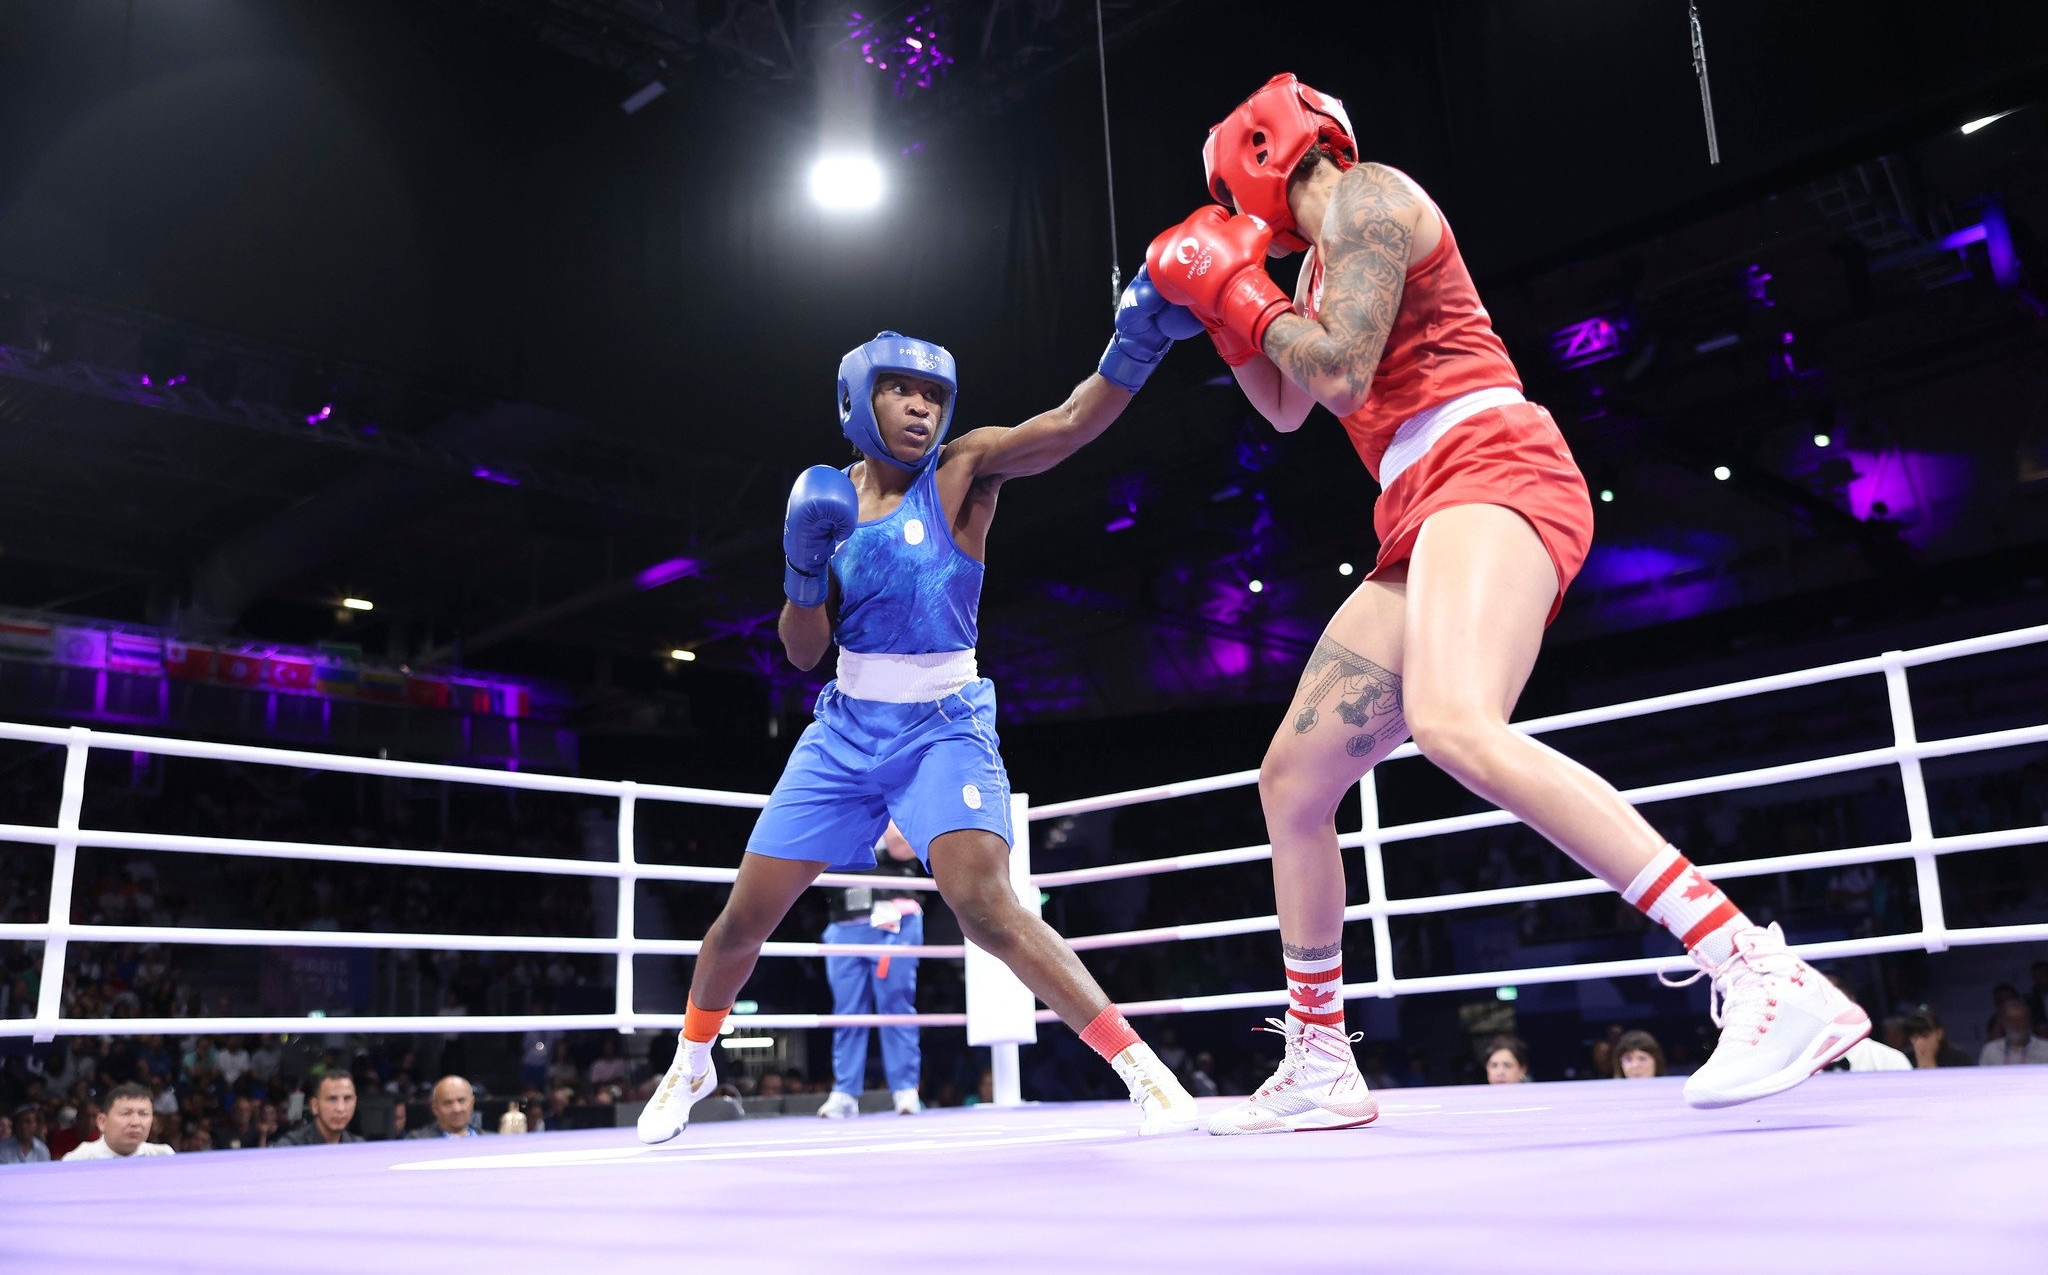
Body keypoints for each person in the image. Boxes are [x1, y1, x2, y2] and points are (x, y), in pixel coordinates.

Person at [1142, 74, 1870, 1133]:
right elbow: (1287, 404)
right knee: (1291, 783)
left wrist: (1240, 291)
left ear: (1253, 158)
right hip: (1415, 501)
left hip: (1489, 461)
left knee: (1452, 724)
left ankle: (1756, 969)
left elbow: (1338, 374)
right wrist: (1220, 307)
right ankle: (1318, 1061)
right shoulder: (1311, 274)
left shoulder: (1368, 198)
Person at [639, 314, 1205, 1143]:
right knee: (742, 917)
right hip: (845, 726)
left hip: (944, 720)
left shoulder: (965, 470)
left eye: (934, 393)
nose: (919, 408)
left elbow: (1074, 423)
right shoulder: (826, 500)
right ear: (857, 400)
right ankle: (691, 1062)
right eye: (900, 389)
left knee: (985, 905)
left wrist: (1140, 339)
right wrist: (802, 569)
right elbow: (802, 653)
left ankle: (1144, 1072)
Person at [818, 822, 926, 1119]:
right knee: (847, 1011)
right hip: (844, 920)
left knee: (895, 1002)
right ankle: (845, 1092)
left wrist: (885, 803)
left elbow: (902, 848)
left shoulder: (899, 800)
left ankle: (905, 1088)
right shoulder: (840, 803)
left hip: (894, 918)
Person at [61, 1083, 174, 1160]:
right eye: (126, 1113)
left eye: (143, 1114)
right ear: (102, 1122)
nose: (135, 1122)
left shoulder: (163, 1156)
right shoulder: (80, 1159)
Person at [273, 1071, 364, 1145]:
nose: (341, 1108)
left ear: (355, 1102)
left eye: (347, 1099)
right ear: (315, 1106)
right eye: (332, 1099)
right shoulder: (290, 1147)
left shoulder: (359, 1147)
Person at [1978, 996, 2048, 1066]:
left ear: (2029, 1022)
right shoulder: (1991, 1050)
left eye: (2020, 1020)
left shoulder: (2045, 1049)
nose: (2015, 1025)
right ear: (2004, 1023)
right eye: (2011, 1020)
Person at [406, 1075, 482, 1138]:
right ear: (435, 1109)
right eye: (448, 1103)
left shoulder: (491, 1139)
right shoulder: (417, 1141)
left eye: (461, 1101)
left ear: (472, 1103)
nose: (456, 1109)